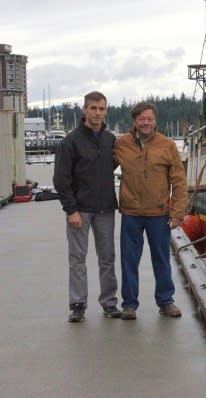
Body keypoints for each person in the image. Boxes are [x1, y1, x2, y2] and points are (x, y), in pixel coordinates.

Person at [113, 101, 187, 320]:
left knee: (162, 258)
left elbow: (179, 181)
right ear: (134, 121)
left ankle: (166, 301)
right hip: (131, 213)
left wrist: (178, 212)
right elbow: (101, 168)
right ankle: (129, 305)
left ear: (155, 121)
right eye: (142, 119)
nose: (146, 123)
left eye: (150, 119)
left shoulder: (167, 145)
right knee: (129, 259)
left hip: (159, 213)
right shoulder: (121, 144)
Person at [53, 91, 121, 322]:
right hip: (79, 210)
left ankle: (109, 303)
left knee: (107, 258)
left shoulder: (110, 139)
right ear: (84, 110)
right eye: (93, 108)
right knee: (77, 259)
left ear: (106, 111)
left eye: (101, 109)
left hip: (105, 209)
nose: (97, 113)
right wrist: (70, 210)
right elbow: (61, 180)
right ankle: (78, 304)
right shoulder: (70, 142)